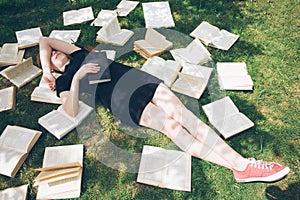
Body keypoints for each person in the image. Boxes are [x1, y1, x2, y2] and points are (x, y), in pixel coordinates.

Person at [39, 36, 290, 183]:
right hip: (122, 101)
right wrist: (75, 77)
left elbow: (44, 40)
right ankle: (241, 166)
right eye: (51, 58)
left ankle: (241, 164)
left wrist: (47, 68)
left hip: (137, 79)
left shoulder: (78, 52)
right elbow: (70, 111)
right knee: (173, 128)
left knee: (187, 118)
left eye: (56, 53)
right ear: (55, 72)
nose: (55, 54)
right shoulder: (63, 81)